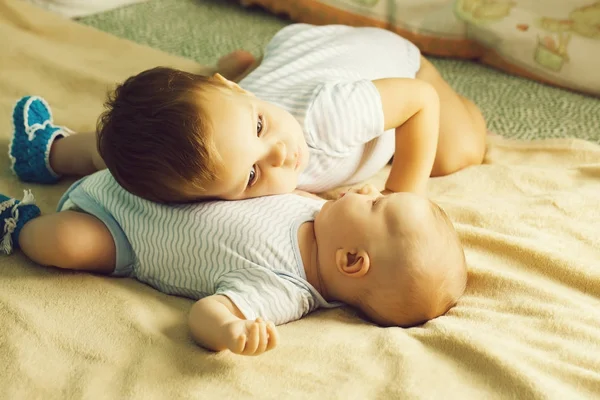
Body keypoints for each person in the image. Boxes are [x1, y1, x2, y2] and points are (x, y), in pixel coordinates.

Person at [9, 24, 487, 203]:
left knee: (456, 152)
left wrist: (403, 196)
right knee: (146, 148)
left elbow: (418, 103)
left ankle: (457, 95)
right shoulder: (228, 127)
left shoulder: (332, 119)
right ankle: (49, 150)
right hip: (293, 62)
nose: (281, 155)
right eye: (253, 175)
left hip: (393, 64)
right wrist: (77, 153)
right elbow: (124, 151)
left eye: (260, 127)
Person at [0, 172, 467, 355]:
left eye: (375, 205)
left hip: (120, 234)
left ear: (350, 261)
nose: (370, 189)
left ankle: (17, 222)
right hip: (155, 180)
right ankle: (59, 149)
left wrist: (229, 332)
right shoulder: (317, 211)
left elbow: (207, 312)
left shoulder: (285, 289)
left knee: (60, 243)